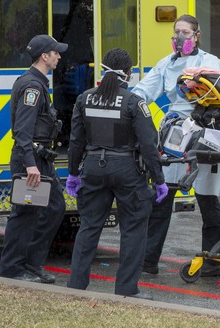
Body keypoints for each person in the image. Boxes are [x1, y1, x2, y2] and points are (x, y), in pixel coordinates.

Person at [132, 14, 220, 277]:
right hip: (175, 130)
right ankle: (148, 260)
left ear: (196, 36)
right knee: (162, 196)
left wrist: (197, 78)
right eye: (177, 32)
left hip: (205, 128)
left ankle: (213, 262)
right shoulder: (166, 64)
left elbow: (217, 83)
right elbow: (144, 90)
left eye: (185, 33)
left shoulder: (208, 61)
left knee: (208, 198)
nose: (179, 37)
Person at [66, 48, 168, 300]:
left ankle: (76, 285)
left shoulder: (84, 99)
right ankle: (126, 288)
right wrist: (159, 179)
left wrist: (72, 174)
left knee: (89, 226)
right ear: (129, 73)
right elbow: (149, 144)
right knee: (133, 229)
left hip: (92, 168)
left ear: (102, 69)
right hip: (127, 172)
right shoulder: (134, 102)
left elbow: (75, 141)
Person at [0, 34, 68, 283]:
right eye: (55, 53)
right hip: (31, 160)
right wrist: (30, 165)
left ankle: (31, 262)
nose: (59, 56)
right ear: (44, 56)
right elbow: (23, 131)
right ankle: (12, 269)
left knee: (54, 208)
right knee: (25, 215)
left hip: (41, 159)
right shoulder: (32, 87)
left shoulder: (37, 83)